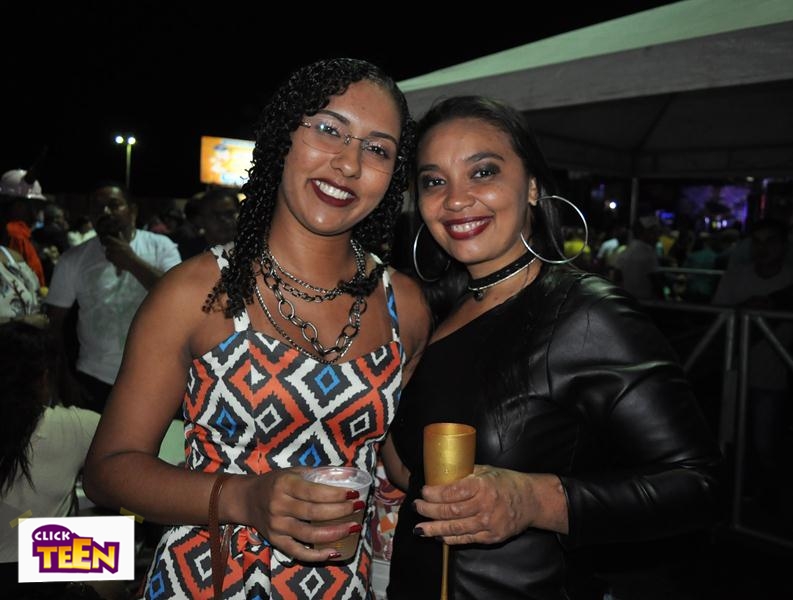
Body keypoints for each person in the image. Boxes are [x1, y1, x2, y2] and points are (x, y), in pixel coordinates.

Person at [82, 57, 430, 599]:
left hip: (341, 586)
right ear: (283, 137)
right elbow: (107, 471)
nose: (348, 163)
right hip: (208, 579)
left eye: (377, 149)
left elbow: (395, 459)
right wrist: (244, 498)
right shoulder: (195, 293)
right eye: (329, 129)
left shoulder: (403, 305)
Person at [382, 96, 722, 600]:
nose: (455, 199)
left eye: (483, 172)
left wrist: (536, 500)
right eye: (434, 181)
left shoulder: (587, 313)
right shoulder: (438, 310)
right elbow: (412, 474)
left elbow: (699, 486)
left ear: (532, 186)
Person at [44, 182, 182, 412]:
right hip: (93, 379)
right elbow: (53, 325)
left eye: (114, 205)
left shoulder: (161, 247)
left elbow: (179, 299)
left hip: (155, 378)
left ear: (133, 210)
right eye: (97, 207)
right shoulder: (73, 259)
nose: (105, 212)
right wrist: (64, 381)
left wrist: (132, 262)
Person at [0, 322, 100, 587]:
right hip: (44, 565)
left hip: (22, 556)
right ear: (44, 379)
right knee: (111, 558)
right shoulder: (74, 427)